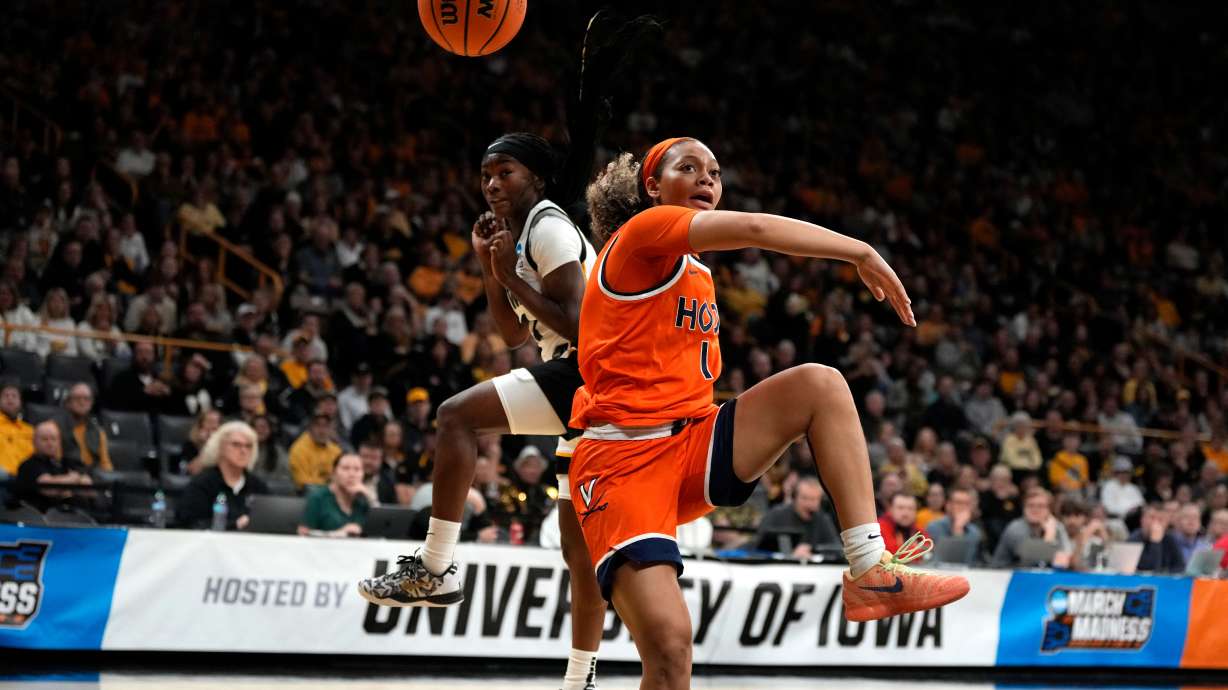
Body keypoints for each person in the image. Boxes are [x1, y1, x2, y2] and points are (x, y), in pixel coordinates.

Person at [561, 137, 970, 685]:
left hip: (689, 443)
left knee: (819, 385)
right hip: (621, 464)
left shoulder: (693, 269)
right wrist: (860, 251)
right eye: (690, 168)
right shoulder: (639, 235)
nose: (708, 179)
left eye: (715, 171)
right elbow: (755, 229)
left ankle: (871, 565)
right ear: (652, 187)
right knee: (670, 648)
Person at [356, 131, 607, 690]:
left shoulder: (549, 226)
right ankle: (580, 679)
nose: (492, 184)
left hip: (589, 370)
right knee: (578, 551)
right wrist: (490, 268)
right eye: (486, 175)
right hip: (579, 383)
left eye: (506, 172)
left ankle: (436, 565)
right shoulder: (521, 236)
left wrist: (510, 275)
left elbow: (582, 324)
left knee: (455, 416)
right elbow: (514, 334)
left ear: (537, 179)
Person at [176, 421, 268, 530]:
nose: (243, 450)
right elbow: (190, 523)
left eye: (248, 446)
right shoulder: (202, 484)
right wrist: (234, 525)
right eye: (236, 444)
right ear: (220, 447)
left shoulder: (258, 486)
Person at [15, 421, 94, 512]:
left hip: (70, 517)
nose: (50, 443)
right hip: (38, 519)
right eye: (45, 439)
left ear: (59, 441)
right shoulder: (29, 465)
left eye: (53, 439)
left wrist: (65, 485)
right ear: (34, 441)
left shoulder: (67, 462)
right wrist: (74, 479)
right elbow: (49, 488)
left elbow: (88, 489)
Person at [753, 476, 839, 558]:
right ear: (795, 497)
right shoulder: (776, 515)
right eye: (805, 498)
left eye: (813, 499)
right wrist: (790, 553)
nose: (809, 504)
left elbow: (837, 550)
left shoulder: (823, 519)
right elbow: (756, 546)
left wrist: (813, 551)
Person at [991, 487, 1072, 567]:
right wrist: (1049, 537)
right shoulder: (1015, 528)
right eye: (1030, 505)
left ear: (1049, 510)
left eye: (1040, 506)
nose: (1035, 510)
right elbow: (1030, 560)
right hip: (1004, 575)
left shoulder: (1056, 526)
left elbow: (1066, 556)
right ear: (1023, 508)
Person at [298, 454, 372, 537]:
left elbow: (380, 530)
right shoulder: (318, 498)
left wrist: (369, 497)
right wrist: (340, 534)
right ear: (333, 473)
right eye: (345, 468)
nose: (352, 474)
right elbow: (303, 533)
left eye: (357, 469)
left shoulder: (363, 500)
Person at [926, 487, 983, 565]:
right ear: (948, 505)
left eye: (967, 504)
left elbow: (972, 562)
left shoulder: (975, 532)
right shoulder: (934, 527)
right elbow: (942, 561)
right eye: (959, 503)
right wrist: (958, 528)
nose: (963, 507)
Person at [62, 383, 111, 471]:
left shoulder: (98, 432)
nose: (82, 402)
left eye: (86, 399)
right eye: (77, 398)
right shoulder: (56, 428)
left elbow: (105, 464)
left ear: (91, 403)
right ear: (68, 403)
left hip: (92, 477)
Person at [289, 412, 343, 490]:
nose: (322, 431)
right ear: (309, 428)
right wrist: (328, 482)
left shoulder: (336, 450)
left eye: (326, 426)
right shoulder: (299, 449)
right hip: (304, 496)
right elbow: (302, 482)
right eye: (317, 426)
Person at [1128, 504, 1186, 573]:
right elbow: (1150, 570)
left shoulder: (1170, 539)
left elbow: (1180, 567)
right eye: (1152, 518)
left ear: (1166, 523)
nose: (1155, 523)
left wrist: (1166, 572)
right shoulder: (1133, 540)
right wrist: (1155, 543)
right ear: (1142, 520)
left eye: (1160, 519)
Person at [0, 384, 34, 477]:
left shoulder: (30, 431)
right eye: (6, 396)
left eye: (14, 396)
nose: (10, 399)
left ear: (21, 403)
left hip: (25, 480)